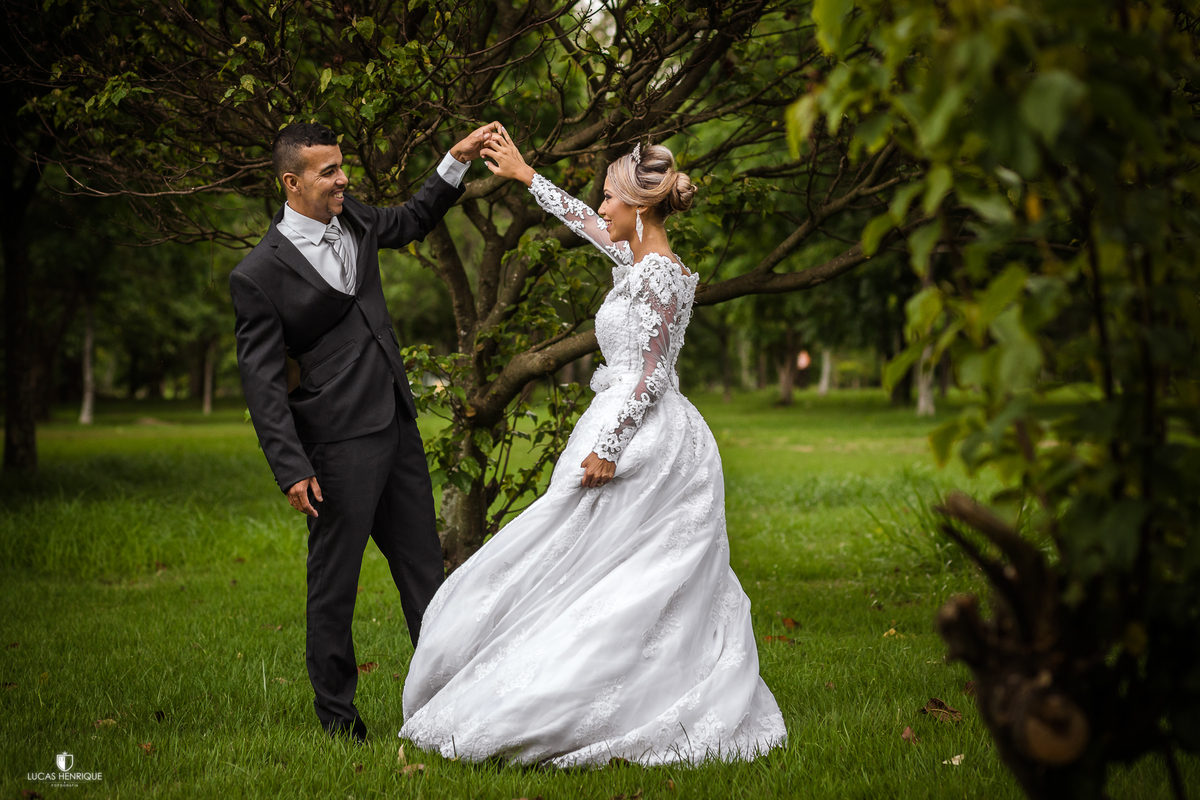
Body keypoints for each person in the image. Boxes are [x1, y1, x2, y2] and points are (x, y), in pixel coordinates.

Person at [399, 130, 787, 766]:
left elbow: (652, 373)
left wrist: (610, 447)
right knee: (574, 560)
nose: (600, 207)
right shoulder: (636, 260)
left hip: (643, 440)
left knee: (622, 573)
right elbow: (581, 220)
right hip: (619, 421)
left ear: (640, 205)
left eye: (609, 198)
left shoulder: (660, 274)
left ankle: (628, 691)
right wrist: (525, 175)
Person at [230, 120, 499, 743]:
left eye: (342, 166)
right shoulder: (256, 276)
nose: (344, 179)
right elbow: (263, 383)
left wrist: (453, 161)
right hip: (334, 445)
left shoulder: (353, 218)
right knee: (335, 584)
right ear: (292, 183)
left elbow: (411, 218)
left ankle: (451, 703)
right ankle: (338, 721)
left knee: (425, 574)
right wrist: (292, 466)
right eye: (329, 172)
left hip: (396, 426)